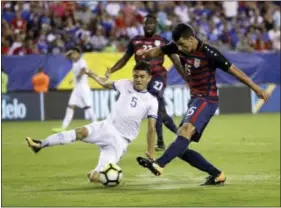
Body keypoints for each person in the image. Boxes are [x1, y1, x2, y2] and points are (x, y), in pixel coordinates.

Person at [135, 23, 270, 185]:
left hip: (207, 99)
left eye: (183, 44)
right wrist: (145, 53)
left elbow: (236, 72)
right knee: (181, 148)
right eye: (178, 45)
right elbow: (157, 51)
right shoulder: (177, 47)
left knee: (185, 131)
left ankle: (159, 164)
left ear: (191, 39)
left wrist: (256, 89)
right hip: (195, 99)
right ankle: (216, 175)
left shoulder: (209, 53)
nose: (181, 48)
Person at [25, 61, 158, 183]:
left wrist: (151, 153)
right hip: (106, 126)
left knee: (95, 178)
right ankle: (41, 143)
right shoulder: (125, 84)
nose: (138, 80)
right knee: (81, 132)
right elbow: (105, 83)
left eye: (142, 76)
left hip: (120, 141)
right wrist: (93, 75)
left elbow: (151, 129)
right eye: (136, 76)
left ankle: (97, 173)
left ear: (149, 78)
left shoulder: (151, 101)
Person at [106, 14, 185, 151]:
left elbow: (176, 60)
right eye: (146, 24)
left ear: (156, 26)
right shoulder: (135, 41)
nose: (149, 26)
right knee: (161, 112)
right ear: (143, 26)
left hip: (158, 76)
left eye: (151, 24)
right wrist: (111, 70)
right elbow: (125, 59)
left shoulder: (163, 41)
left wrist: (186, 76)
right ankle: (179, 135)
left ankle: (161, 142)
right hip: (143, 79)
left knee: (155, 99)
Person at [52, 47, 95, 132]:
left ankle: (96, 123)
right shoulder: (74, 62)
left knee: (88, 106)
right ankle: (63, 127)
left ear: (78, 54)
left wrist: (78, 76)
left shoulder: (81, 61)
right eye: (72, 54)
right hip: (77, 87)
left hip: (83, 86)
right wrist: (70, 52)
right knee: (70, 105)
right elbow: (66, 56)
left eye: (74, 53)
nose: (73, 55)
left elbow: (83, 70)